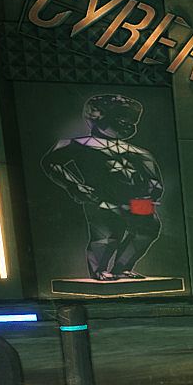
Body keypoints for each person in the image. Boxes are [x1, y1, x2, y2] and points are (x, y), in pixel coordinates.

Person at [39, 93, 166, 281]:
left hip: (137, 201)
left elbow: (153, 178)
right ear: (99, 116)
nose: (128, 123)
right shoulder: (80, 144)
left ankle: (122, 268)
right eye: (122, 117)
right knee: (107, 235)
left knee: (148, 229)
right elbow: (51, 162)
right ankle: (99, 270)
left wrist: (152, 191)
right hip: (101, 198)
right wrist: (75, 186)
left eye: (132, 120)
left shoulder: (138, 152)